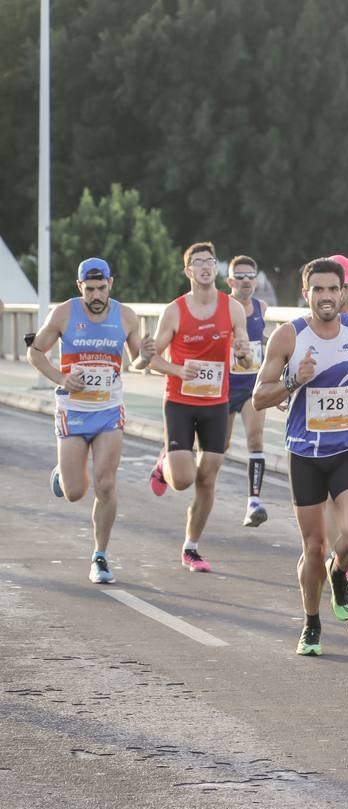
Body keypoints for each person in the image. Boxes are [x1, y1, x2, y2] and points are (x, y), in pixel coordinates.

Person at [252, 258, 348, 655]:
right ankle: (311, 624)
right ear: (306, 294)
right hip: (305, 455)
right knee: (314, 546)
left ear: (344, 292)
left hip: (347, 450)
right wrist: (294, 380)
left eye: (333, 289)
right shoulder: (288, 337)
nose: (326, 297)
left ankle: (339, 572)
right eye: (318, 290)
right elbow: (260, 397)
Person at [27, 257, 154, 583]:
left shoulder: (126, 316)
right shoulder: (64, 313)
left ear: (110, 283)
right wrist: (59, 378)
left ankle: (100, 555)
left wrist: (147, 356)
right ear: (79, 287)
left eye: (101, 288)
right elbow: (35, 351)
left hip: (109, 410)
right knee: (74, 492)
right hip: (73, 411)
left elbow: (136, 361)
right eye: (90, 289)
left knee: (106, 483)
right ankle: (62, 471)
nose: (96, 296)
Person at [144, 242, 253, 572]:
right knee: (183, 480)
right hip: (179, 402)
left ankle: (191, 547)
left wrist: (243, 352)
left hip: (215, 403)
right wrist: (178, 370)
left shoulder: (232, 308)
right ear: (188, 271)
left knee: (207, 477)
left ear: (217, 268)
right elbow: (150, 359)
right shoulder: (175, 310)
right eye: (198, 262)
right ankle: (164, 465)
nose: (205, 266)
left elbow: (246, 359)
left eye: (210, 261)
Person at [223, 255, 271, 527]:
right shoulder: (223, 308)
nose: (245, 281)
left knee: (255, 439)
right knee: (222, 445)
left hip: (252, 387)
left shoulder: (261, 307)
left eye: (250, 276)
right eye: (239, 277)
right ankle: (168, 459)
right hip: (224, 389)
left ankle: (254, 502)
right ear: (230, 281)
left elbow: (261, 339)